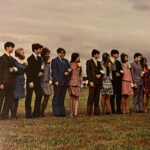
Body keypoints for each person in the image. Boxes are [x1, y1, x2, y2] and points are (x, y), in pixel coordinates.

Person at [25, 43, 43, 118]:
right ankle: (28, 114)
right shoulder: (29, 59)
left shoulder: (40, 59)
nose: (41, 50)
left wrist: (41, 72)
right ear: (35, 50)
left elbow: (42, 68)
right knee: (29, 97)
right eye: (40, 49)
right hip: (31, 81)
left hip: (38, 81)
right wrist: (30, 82)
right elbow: (28, 71)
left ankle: (36, 112)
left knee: (39, 95)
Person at [51, 48, 70, 117]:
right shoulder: (54, 61)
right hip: (58, 82)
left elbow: (69, 69)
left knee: (62, 97)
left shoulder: (66, 61)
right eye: (61, 53)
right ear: (58, 53)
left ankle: (62, 112)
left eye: (64, 53)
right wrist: (55, 80)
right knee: (57, 97)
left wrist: (68, 72)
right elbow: (54, 71)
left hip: (65, 82)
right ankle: (56, 112)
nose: (63, 54)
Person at [0, 42, 17, 120]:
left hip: (11, 83)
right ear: (7, 48)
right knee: (1, 99)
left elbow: (15, 69)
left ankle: (4, 115)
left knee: (8, 100)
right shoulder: (2, 58)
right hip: (3, 83)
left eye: (13, 47)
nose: (12, 48)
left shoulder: (12, 59)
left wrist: (13, 69)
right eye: (11, 47)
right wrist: (0, 83)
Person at [11, 48, 28, 119]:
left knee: (17, 98)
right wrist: (20, 69)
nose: (23, 53)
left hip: (21, 80)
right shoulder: (15, 61)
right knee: (14, 97)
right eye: (22, 52)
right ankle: (13, 115)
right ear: (18, 53)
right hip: (16, 80)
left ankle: (14, 113)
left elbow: (24, 69)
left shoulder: (23, 61)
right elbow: (18, 69)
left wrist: (22, 68)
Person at [86, 49, 103, 116]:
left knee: (97, 97)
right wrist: (90, 81)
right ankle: (89, 112)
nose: (98, 55)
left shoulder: (99, 63)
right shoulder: (89, 62)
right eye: (97, 54)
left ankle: (97, 112)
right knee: (91, 97)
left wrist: (100, 75)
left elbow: (101, 71)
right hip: (92, 82)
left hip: (98, 82)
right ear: (94, 54)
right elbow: (88, 72)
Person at [68, 53, 83, 117]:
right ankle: (71, 113)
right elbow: (68, 73)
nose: (78, 58)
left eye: (78, 57)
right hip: (71, 83)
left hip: (78, 83)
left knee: (77, 98)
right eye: (77, 57)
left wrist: (81, 82)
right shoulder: (70, 64)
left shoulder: (79, 65)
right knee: (71, 98)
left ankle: (76, 113)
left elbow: (81, 74)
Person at [110, 49, 124, 114]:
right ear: (113, 54)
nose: (118, 55)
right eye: (116, 54)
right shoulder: (109, 61)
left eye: (118, 54)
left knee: (119, 96)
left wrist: (120, 73)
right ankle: (112, 110)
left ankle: (119, 109)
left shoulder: (118, 62)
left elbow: (121, 70)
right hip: (112, 81)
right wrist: (114, 73)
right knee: (112, 96)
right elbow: (108, 70)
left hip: (118, 81)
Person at [40, 47, 52, 117]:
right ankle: (39, 111)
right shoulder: (41, 60)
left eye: (48, 54)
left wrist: (50, 79)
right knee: (41, 96)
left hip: (47, 81)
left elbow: (49, 70)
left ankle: (42, 111)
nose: (47, 55)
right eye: (46, 54)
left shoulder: (48, 61)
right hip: (41, 81)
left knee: (47, 96)